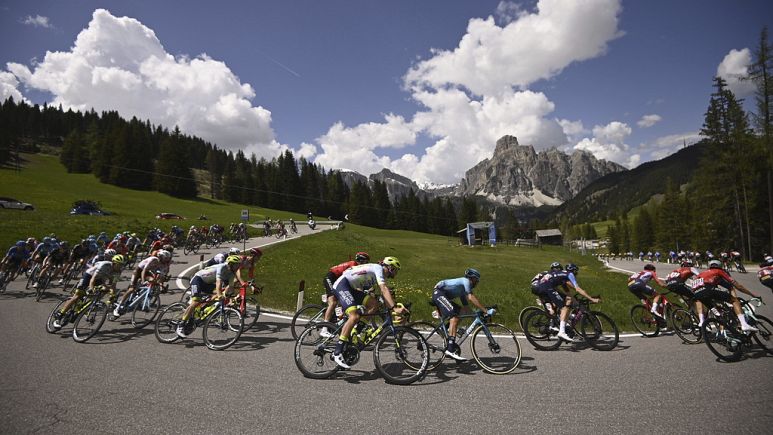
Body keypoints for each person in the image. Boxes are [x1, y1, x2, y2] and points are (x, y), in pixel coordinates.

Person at [330, 257, 407, 369]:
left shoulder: (377, 272)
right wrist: (394, 307)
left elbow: (382, 294)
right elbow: (384, 289)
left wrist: (391, 307)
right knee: (354, 315)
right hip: (342, 285)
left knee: (374, 304)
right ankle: (337, 351)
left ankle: (359, 330)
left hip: (351, 289)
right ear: (390, 267)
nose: (396, 273)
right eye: (395, 270)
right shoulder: (378, 269)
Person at [432, 268, 493, 361]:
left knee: (461, 312)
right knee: (454, 317)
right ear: (472, 278)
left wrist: (477, 314)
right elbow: (471, 297)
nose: (477, 283)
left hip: (442, 295)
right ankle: (450, 349)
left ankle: (445, 329)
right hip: (439, 293)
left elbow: (466, 308)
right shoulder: (466, 282)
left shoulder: (463, 288)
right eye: (476, 280)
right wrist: (485, 310)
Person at [176, 255, 241, 338]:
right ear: (230, 264)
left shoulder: (231, 273)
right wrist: (220, 294)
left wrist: (231, 299)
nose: (238, 267)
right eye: (236, 265)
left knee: (220, 294)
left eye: (238, 265)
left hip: (207, 283)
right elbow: (218, 283)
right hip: (198, 279)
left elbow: (231, 288)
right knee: (196, 301)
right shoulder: (222, 267)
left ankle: (202, 309)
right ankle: (181, 324)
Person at [53, 254, 125, 328]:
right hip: (89, 276)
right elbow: (92, 279)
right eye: (119, 264)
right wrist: (91, 288)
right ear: (113, 263)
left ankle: (88, 306)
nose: (120, 267)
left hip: (100, 279)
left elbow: (113, 285)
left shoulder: (118, 272)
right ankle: (60, 315)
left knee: (102, 292)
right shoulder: (105, 265)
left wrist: (112, 295)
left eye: (121, 265)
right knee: (77, 295)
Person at [534, 263, 599, 341]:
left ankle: (555, 323)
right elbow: (577, 289)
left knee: (567, 300)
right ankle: (561, 331)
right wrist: (591, 299)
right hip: (545, 287)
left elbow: (568, 295)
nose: (576, 274)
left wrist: (576, 303)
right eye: (576, 272)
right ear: (574, 271)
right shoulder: (569, 274)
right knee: (564, 307)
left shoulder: (562, 278)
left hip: (540, 287)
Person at [691, 259, 759, 331]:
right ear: (720, 266)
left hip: (697, 294)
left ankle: (716, 329)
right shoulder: (719, 271)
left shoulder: (702, 274)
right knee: (734, 300)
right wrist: (752, 295)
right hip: (708, 290)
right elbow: (738, 286)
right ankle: (744, 324)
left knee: (718, 311)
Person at [319, 252, 370, 338]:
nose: (366, 264)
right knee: (333, 301)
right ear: (361, 260)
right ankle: (324, 329)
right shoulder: (353, 265)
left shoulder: (356, 266)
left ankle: (337, 318)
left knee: (345, 297)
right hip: (331, 278)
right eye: (366, 262)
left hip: (338, 280)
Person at [113, 249, 172, 317]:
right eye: (165, 258)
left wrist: (161, 285)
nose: (166, 260)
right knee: (132, 289)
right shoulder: (153, 259)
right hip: (139, 271)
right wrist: (143, 281)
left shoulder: (163, 264)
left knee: (153, 281)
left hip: (147, 272)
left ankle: (141, 297)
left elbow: (160, 276)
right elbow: (143, 271)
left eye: (167, 259)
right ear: (160, 257)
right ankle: (118, 307)